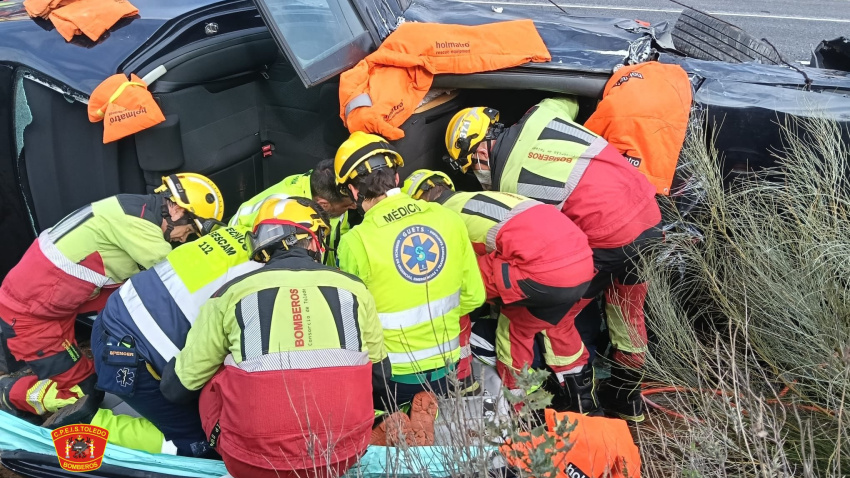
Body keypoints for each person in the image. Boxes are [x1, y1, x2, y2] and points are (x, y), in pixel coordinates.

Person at [444, 98, 661, 422]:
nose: (477, 177)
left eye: (472, 168)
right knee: (627, 311)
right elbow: (569, 101)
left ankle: (582, 409)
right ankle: (627, 398)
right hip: (648, 218)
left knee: (556, 318)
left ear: (479, 154)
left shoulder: (511, 186)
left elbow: (538, 247)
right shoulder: (541, 113)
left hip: (606, 238)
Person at [160, 197, 389, 478]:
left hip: (251, 463)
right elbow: (381, 380)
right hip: (344, 454)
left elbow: (176, 389)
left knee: (217, 367)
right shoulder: (355, 289)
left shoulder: (229, 294)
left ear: (262, 247)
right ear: (315, 241)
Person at [0, 173, 224, 421]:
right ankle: (11, 394)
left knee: (97, 377)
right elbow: (179, 283)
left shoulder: (135, 208)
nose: (185, 237)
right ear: (175, 208)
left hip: (53, 307)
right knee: (83, 394)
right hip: (28, 319)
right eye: (190, 228)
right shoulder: (143, 234)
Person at [43, 221, 261, 458]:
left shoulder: (236, 234)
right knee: (200, 442)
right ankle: (94, 426)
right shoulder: (266, 279)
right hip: (132, 357)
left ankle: (42, 396)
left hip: (111, 323)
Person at [402, 169, 597, 414]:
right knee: (549, 324)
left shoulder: (442, 218)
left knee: (456, 293)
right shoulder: (486, 199)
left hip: (539, 269)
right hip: (581, 263)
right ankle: (582, 403)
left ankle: (511, 403)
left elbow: (463, 285)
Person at [333, 132, 485, 410]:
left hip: (391, 376)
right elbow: (474, 297)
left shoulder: (355, 243)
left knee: (397, 439)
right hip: (446, 367)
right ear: (397, 179)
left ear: (354, 192)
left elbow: (350, 325)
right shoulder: (448, 219)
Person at [228, 160, 356, 266]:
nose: (354, 207)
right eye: (349, 205)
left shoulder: (329, 193)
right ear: (323, 205)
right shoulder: (282, 213)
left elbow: (340, 233)